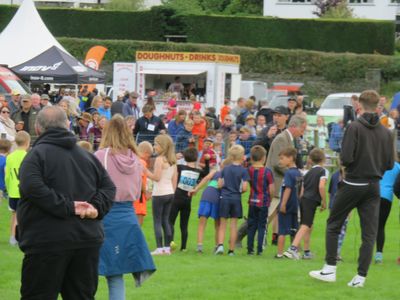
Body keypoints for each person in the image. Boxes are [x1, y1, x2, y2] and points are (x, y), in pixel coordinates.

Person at [17, 106, 116, 300]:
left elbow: (32, 187)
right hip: (85, 238)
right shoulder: (87, 156)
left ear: (37, 128)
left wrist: (93, 206)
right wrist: (74, 207)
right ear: (68, 125)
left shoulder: (35, 156)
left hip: (47, 241)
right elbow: (35, 187)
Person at [310, 90, 394, 288]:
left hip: (354, 183)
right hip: (374, 186)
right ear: (378, 106)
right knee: (369, 233)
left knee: (333, 223)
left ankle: (330, 269)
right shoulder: (386, 132)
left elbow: (346, 158)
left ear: (359, 106)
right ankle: (360, 278)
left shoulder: (354, 127)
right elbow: (390, 163)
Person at [95, 115, 155, 300]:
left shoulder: (100, 156)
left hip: (106, 215)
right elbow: (138, 193)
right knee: (116, 273)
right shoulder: (136, 159)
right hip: (128, 217)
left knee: (93, 270)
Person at [266, 115, 307, 245]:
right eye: (302, 129)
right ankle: (240, 236)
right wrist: (294, 174)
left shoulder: (289, 139)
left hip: (283, 182)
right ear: (294, 127)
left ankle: (292, 244)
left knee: (273, 214)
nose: (303, 132)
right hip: (276, 182)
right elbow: (277, 163)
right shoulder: (281, 139)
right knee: (265, 215)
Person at [284, 148, 328, 260]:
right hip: (311, 200)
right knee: (305, 225)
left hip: (304, 199)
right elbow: (321, 186)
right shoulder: (323, 171)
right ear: (323, 159)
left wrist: (302, 199)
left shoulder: (307, 172)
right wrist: (324, 201)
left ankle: (307, 252)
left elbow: (302, 189)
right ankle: (292, 249)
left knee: (309, 225)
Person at [169, 148, 209, 252]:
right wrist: (207, 161)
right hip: (187, 200)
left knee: (170, 222)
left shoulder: (180, 167)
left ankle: (170, 244)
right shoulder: (198, 171)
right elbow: (207, 173)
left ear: (185, 157)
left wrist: (174, 157)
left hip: (176, 197)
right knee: (184, 224)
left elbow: (170, 165)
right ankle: (184, 247)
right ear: (196, 158)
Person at [146, 134, 178, 255]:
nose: (154, 147)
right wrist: (172, 191)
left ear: (162, 146)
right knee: (166, 220)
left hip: (159, 193)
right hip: (169, 192)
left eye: (156, 144)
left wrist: (145, 171)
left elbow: (157, 177)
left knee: (157, 221)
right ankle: (167, 248)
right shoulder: (173, 160)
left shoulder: (159, 159)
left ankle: (159, 248)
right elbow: (175, 179)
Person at [215, 145, 250, 256]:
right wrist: (239, 192)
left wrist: (223, 188)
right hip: (236, 198)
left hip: (224, 197)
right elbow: (245, 188)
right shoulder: (243, 171)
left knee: (222, 223)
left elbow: (219, 184)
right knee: (233, 225)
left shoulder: (225, 169)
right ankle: (231, 250)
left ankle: (220, 245)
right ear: (242, 157)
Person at [247, 146, 274, 256]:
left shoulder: (249, 170)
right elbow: (272, 188)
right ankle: (259, 249)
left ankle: (249, 249)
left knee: (251, 225)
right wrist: (270, 199)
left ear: (252, 158)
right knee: (262, 225)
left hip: (252, 201)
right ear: (264, 158)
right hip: (263, 202)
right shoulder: (267, 172)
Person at [275, 147, 302, 258]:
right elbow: (301, 190)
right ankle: (295, 252)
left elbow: (288, 188)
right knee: (295, 229)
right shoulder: (299, 173)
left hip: (287, 205)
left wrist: (283, 204)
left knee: (282, 230)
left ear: (290, 158)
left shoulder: (288, 173)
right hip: (296, 205)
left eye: (282, 158)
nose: (280, 161)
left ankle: (280, 254)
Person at [6, 131, 30, 246]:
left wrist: (8, 187)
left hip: (13, 191)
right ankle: (21, 237)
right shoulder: (28, 156)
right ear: (28, 142)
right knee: (24, 215)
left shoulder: (10, 157)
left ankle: (12, 237)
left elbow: (7, 175)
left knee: (14, 214)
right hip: (24, 190)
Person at [374, 157, 400, 264]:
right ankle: (379, 255)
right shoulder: (398, 167)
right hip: (387, 197)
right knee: (381, 226)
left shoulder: (376, 162)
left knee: (369, 225)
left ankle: (364, 253)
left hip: (373, 194)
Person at [134, 141, 153, 226]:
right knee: (139, 223)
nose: (148, 158)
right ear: (145, 152)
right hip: (140, 197)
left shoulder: (134, 159)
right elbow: (140, 179)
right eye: (148, 156)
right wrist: (146, 194)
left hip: (133, 195)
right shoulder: (142, 162)